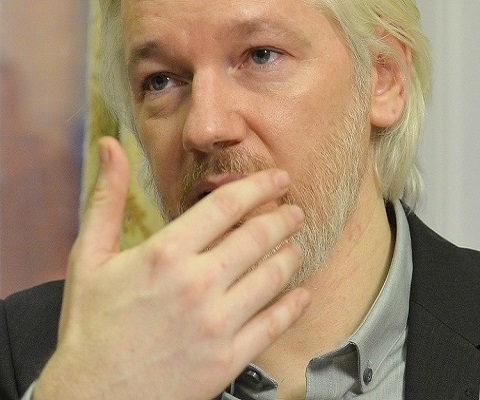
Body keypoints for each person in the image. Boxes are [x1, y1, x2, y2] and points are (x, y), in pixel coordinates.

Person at [1, 0, 479, 399]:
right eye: (161, 80)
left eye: (261, 56)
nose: (204, 127)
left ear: (383, 77)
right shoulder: (25, 356)